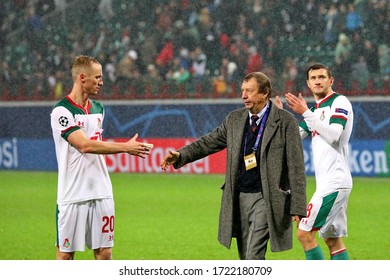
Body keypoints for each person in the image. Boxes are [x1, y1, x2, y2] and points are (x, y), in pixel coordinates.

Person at [160, 72, 307, 260]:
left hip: (267, 197)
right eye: (243, 91)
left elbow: (296, 167)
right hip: (238, 197)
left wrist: (298, 206)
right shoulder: (234, 120)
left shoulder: (285, 122)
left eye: (250, 91)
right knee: (245, 257)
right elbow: (208, 142)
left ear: (265, 93)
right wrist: (181, 155)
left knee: (254, 256)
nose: (244, 95)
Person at [50, 55, 153, 260]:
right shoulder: (61, 111)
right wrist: (125, 148)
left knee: (104, 254)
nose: (101, 82)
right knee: (65, 257)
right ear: (82, 78)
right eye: (97, 77)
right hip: (72, 194)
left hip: (102, 191)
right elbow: (85, 145)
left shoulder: (99, 109)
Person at [275, 63, 353, 260]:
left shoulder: (340, 102)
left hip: (335, 183)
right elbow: (290, 138)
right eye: (314, 78)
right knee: (333, 240)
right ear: (308, 84)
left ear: (331, 80)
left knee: (304, 234)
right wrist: (280, 116)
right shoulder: (315, 110)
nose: (318, 81)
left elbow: (335, 134)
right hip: (328, 184)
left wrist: (306, 113)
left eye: (322, 77)